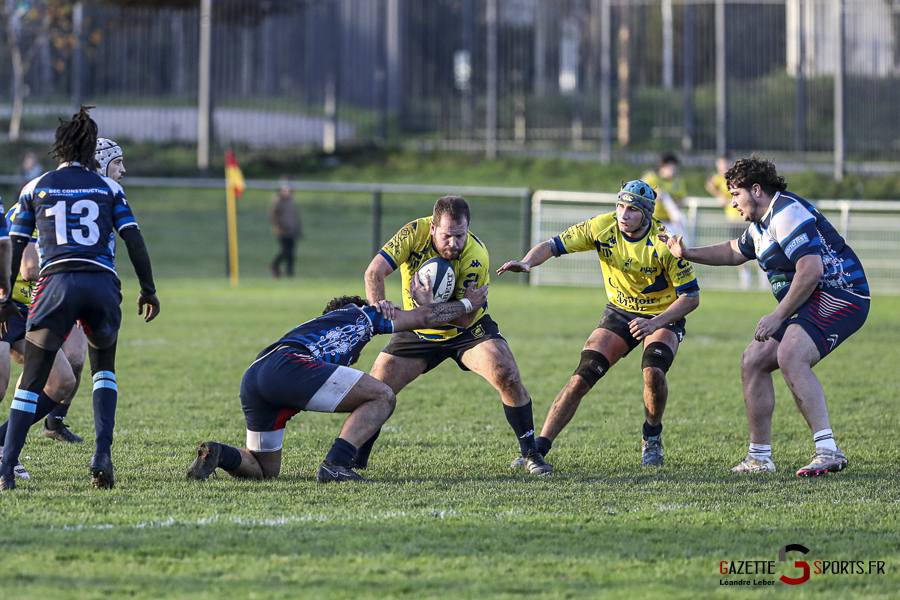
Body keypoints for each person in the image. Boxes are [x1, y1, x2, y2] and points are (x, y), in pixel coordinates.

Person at [658, 156, 869, 477]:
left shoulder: (786, 213)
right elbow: (733, 251)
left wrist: (777, 315)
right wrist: (687, 253)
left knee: (790, 353)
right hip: (812, 299)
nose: (732, 202)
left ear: (756, 190)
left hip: (843, 293)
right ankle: (759, 458)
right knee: (753, 360)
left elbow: (811, 270)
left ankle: (828, 451)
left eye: (735, 194)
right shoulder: (760, 225)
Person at [0, 107, 160, 492]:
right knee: (104, 370)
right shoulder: (108, 189)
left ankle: (5, 469)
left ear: (59, 148)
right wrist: (148, 289)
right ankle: (102, 455)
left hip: (55, 285)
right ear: (93, 152)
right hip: (101, 284)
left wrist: (4, 295)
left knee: (32, 379)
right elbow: (134, 240)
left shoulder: (35, 186)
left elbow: (15, 244)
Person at [186, 283, 488, 483]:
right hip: (289, 365)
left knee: (264, 470)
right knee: (383, 395)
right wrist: (467, 303)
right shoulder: (362, 314)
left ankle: (218, 453)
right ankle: (337, 465)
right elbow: (423, 318)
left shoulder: (318, 327)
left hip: (255, 376)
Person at [498, 180, 700, 467]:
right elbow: (552, 245)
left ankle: (652, 436)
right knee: (581, 377)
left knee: (653, 372)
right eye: (620, 206)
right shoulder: (601, 227)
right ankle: (538, 449)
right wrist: (528, 262)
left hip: (663, 314)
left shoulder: (665, 242)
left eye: (632, 209)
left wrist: (655, 323)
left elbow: (691, 298)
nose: (623, 214)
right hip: (621, 311)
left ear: (646, 213)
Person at [362, 195, 552, 475]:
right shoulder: (412, 234)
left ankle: (531, 454)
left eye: (460, 236)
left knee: (507, 373)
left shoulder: (476, 256)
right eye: (447, 236)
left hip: (467, 330)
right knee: (376, 389)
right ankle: (353, 457)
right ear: (432, 228)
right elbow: (374, 272)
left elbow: (464, 318)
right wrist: (379, 305)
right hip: (418, 329)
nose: (453, 243)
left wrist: (429, 305)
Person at [706, 155, 766, 291]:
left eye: (725, 165)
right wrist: (718, 195)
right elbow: (709, 183)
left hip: (748, 219)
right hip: (733, 220)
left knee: (758, 248)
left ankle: (763, 278)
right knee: (739, 250)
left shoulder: (738, 178)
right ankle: (745, 280)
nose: (723, 168)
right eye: (720, 166)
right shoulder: (718, 179)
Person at [642, 153, 688, 240]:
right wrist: (653, 194)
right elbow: (638, 192)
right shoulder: (651, 178)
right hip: (652, 219)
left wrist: (673, 201)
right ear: (663, 166)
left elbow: (682, 201)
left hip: (670, 222)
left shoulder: (678, 181)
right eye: (672, 167)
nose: (675, 170)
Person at [268, 178, 302, 278]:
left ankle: (289, 272)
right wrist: (281, 225)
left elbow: (294, 217)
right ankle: (274, 266)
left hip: (292, 231)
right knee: (285, 250)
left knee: (292, 252)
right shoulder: (278, 200)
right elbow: (273, 215)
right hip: (283, 231)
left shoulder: (290, 201)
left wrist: (298, 229)